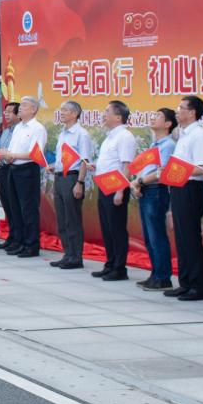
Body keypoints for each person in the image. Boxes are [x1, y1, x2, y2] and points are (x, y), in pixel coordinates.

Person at [166, 96, 203, 302]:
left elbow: (202, 168)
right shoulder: (183, 134)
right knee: (182, 237)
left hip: (191, 188)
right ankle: (185, 283)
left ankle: (197, 286)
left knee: (191, 237)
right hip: (179, 187)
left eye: (181, 108)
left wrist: (175, 171)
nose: (177, 112)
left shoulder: (199, 135)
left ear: (192, 112)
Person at [132, 108, 177, 291]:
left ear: (168, 124)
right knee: (149, 236)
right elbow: (145, 169)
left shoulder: (168, 145)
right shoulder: (154, 144)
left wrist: (140, 181)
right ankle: (155, 274)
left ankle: (163, 277)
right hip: (145, 189)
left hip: (156, 190)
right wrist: (138, 183)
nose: (153, 118)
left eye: (158, 116)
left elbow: (162, 172)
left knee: (157, 235)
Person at [92, 101, 137, 282]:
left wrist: (120, 191)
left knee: (117, 229)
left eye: (107, 112)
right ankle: (110, 264)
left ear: (118, 117)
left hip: (116, 187)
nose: (103, 115)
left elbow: (127, 166)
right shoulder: (110, 136)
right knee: (107, 228)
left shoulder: (125, 136)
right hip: (104, 185)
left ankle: (119, 268)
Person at [0, 97, 47, 258]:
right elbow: (13, 150)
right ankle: (19, 242)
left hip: (27, 171)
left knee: (28, 209)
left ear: (33, 109)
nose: (20, 108)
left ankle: (31, 245)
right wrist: (6, 155)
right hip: (13, 169)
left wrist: (11, 155)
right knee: (15, 208)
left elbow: (35, 154)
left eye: (24, 105)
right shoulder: (18, 127)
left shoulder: (37, 128)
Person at [49, 101, 92, 270]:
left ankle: (75, 257)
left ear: (75, 114)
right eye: (61, 109)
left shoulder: (81, 134)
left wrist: (79, 183)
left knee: (72, 219)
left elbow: (84, 161)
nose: (62, 112)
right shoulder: (63, 133)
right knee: (62, 219)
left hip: (72, 179)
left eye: (65, 110)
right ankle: (67, 254)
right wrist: (54, 166)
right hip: (60, 177)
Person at [0, 100, 19, 250]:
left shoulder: (20, 131)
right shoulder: (6, 131)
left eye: (9, 112)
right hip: (2, 169)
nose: (6, 115)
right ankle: (12, 236)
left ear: (18, 114)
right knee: (7, 204)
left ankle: (17, 238)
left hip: (11, 168)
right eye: (5, 112)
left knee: (14, 206)